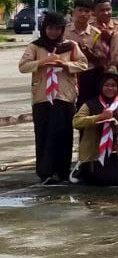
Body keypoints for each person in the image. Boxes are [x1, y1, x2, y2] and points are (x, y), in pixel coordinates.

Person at [20, 11, 89, 184]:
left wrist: (65, 64)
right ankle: (45, 172)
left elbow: (83, 64)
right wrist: (41, 63)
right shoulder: (36, 46)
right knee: (44, 134)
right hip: (43, 97)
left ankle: (62, 171)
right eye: (50, 28)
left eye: (58, 29)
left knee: (64, 134)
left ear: (62, 30)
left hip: (65, 96)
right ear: (45, 28)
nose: (54, 32)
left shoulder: (70, 46)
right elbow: (23, 66)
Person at [71, 71, 118, 186]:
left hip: (114, 153)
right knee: (100, 179)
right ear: (101, 87)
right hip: (92, 155)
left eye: (113, 85)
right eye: (106, 85)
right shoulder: (90, 104)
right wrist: (98, 118)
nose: (110, 88)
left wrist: (116, 125)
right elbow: (76, 122)